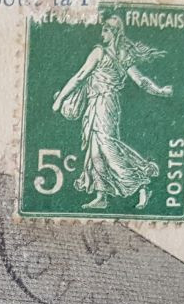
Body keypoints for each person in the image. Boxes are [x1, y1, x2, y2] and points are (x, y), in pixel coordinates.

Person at [51, 14, 175, 210]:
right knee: (95, 153)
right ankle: (101, 196)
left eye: (105, 30)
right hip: (96, 104)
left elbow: (81, 76)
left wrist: (59, 100)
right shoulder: (115, 54)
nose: (102, 33)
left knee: (108, 148)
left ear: (114, 32)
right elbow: (83, 76)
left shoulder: (102, 53)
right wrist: (159, 91)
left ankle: (142, 183)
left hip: (105, 104)